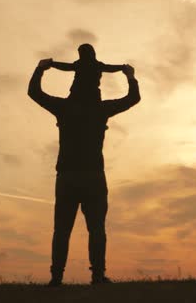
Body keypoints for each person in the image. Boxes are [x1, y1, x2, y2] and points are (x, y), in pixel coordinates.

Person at [27, 55, 141, 286]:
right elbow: (133, 98)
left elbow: (34, 92)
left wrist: (41, 69)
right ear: (96, 83)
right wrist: (130, 76)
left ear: (75, 81)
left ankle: (56, 277)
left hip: (68, 177)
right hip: (93, 177)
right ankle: (97, 276)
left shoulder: (64, 107)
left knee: (62, 230)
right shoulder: (101, 109)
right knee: (97, 229)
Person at [50, 43, 125, 101]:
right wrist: (122, 67)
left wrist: (52, 64)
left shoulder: (83, 64)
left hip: (82, 94)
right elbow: (110, 68)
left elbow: (67, 67)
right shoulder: (94, 65)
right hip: (84, 94)